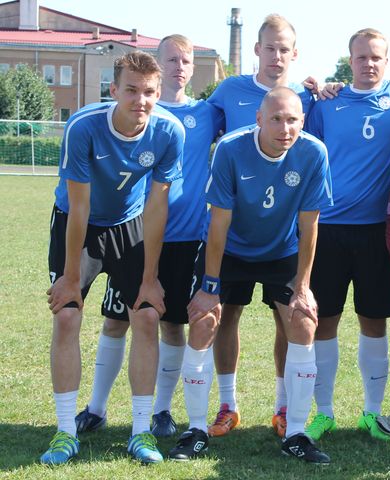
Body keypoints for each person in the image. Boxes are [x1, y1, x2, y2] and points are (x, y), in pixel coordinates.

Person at [74, 35, 223, 440]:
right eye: (171, 59)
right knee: (116, 320)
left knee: (171, 325)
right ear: (156, 65)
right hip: (134, 234)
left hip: (185, 237)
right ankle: (96, 408)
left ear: (193, 68)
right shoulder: (135, 110)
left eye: (186, 61)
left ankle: (161, 410)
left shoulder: (209, 112)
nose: (179, 66)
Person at [174, 87, 333, 463]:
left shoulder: (313, 152)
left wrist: (303, 287)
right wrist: (210, 287)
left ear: (302, 121)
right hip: (230, 248)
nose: (284, 128)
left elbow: (309, 225)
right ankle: (199, 426)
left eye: (292, 120)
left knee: (302, 321)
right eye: (276, 119)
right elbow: (218, 222)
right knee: (205, 320)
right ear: (259, 119)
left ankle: (295, 431)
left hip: (281, 251)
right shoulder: (230, 148)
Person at [42, 51, 184, 465]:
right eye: (132, 90)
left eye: (150, 92)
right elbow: (79, 206)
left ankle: (141, 432)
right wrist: (71, 277)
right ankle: (65, 432)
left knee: (147, 316)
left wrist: (150, 277)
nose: (141, 100)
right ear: (114, 90)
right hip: (78, 224)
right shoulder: (84, 126)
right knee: (67, 316)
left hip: (129, 226)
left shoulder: (169, 131)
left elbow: (157, 207)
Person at [303, 28, 390, 442]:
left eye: (376, 57)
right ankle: (324, 413)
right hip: (329, 228)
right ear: (349, 60)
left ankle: (372, 414)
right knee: (324, 321)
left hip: (378, 231)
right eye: (361, 57)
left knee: (374, 321)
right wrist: (314, 87)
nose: (368, 64)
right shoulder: (327, 103)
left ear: (387, 61)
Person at [206, 14, 315, 439]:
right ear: (257, 49)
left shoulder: (308, 97)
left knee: (288, 319)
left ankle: (284, 407)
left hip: (281, 237)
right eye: (270, 48)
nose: (276, 56)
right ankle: (227, 405)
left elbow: (312, 153)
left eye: (284, 49)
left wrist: (327, 90)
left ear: (295, 53)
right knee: (224, 314)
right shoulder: (229, 90)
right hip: (232, 234)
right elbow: (200, 129)